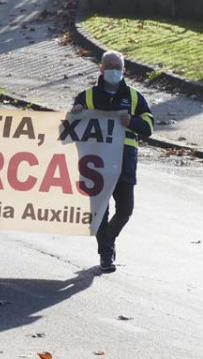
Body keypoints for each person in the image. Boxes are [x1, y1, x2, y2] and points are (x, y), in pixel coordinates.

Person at [70, 51, 154, 273]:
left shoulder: (134, 97)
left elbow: (149, 128)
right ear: (100, 68)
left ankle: (108, 237)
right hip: (95, 163)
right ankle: (106, 255)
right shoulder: (86, 97)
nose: (113, 69)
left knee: (126, 209)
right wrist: (75, 113)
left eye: (117, 66)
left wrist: (133, 121)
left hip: (124, 161)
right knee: (100, 210)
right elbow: (69, 129)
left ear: (124, 70)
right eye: (109, 66)